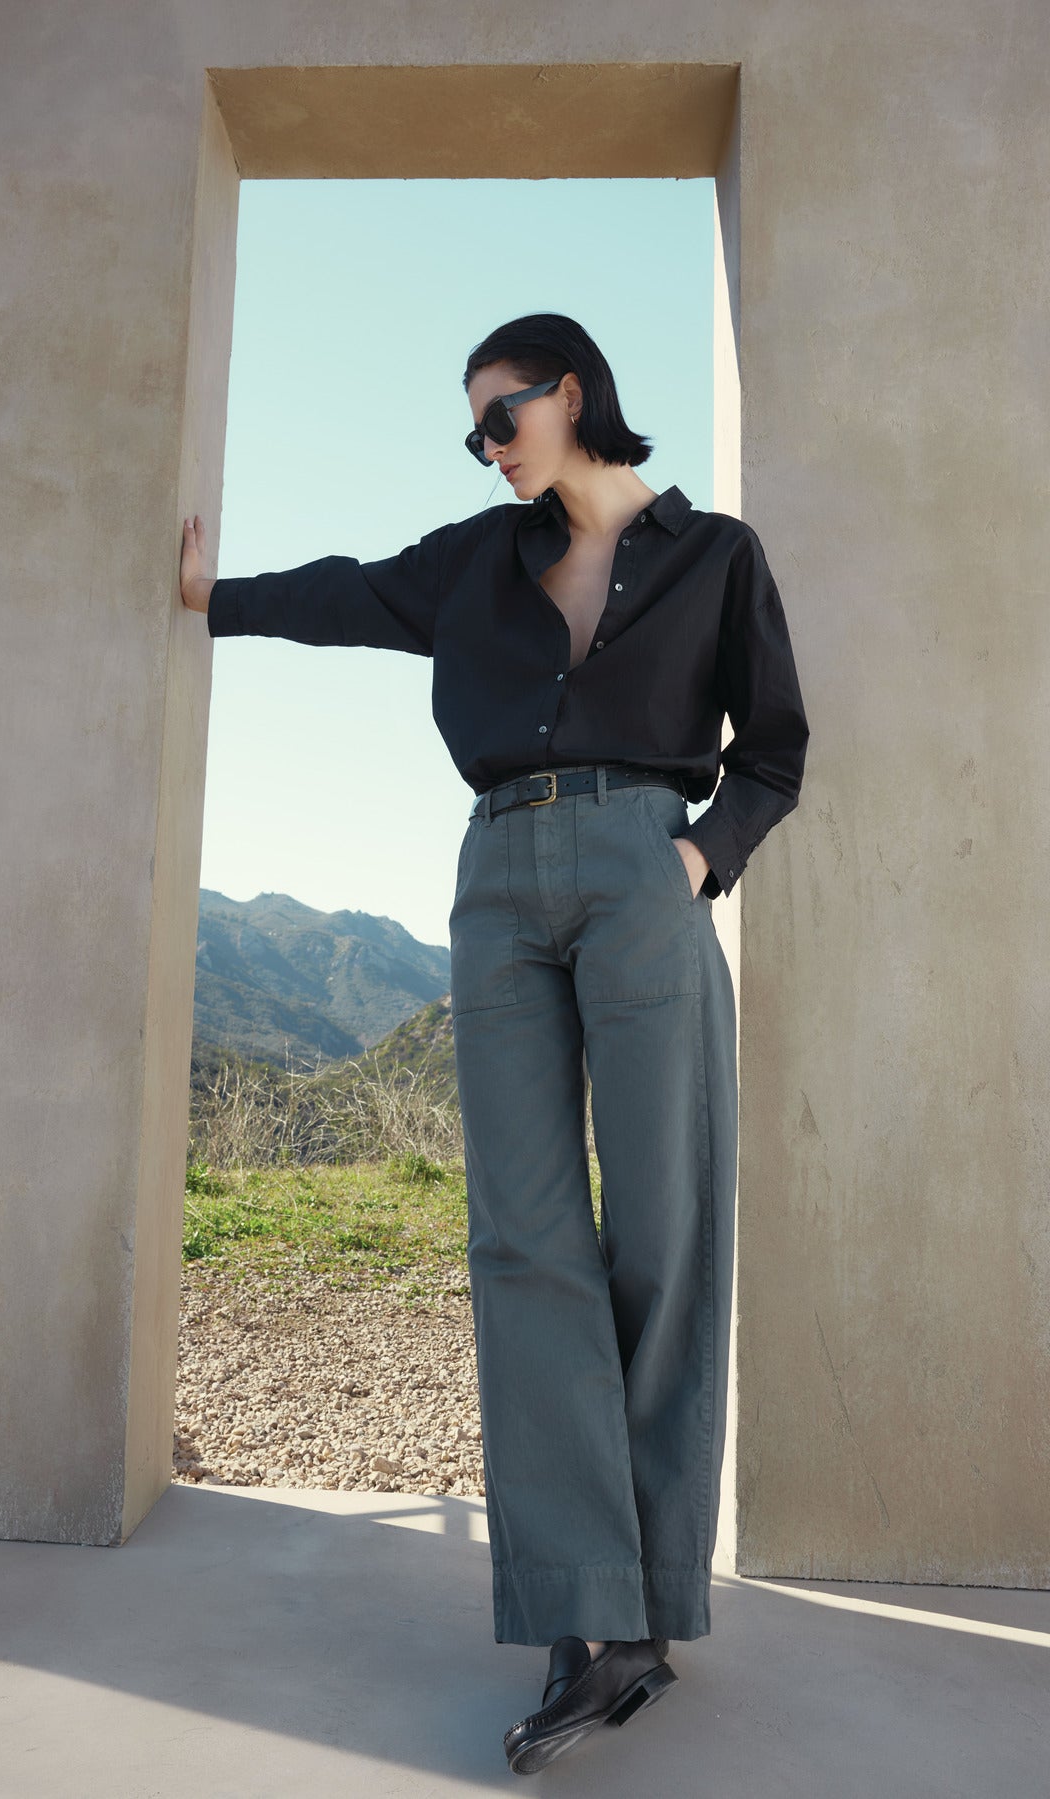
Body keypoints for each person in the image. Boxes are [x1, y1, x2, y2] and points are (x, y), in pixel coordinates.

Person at [179, 312, 810, 1777]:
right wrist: (214, 597)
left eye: (501, 415)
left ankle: (651, 1611)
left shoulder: (718, 555)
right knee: (526, 1241)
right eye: (475, 430)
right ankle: (580, 1626)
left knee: (662, 1233)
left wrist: (704, 862)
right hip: (498, 883)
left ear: (570, 393)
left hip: (649, 871)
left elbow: (774, 748)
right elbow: (341, 591)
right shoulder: (478, 557)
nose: (487, 445)